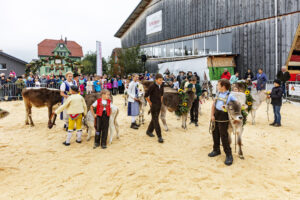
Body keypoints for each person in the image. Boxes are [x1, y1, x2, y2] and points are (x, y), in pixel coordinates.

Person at [208, 79, 237, 166]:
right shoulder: (218, 93)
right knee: (214, 132)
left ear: (223, 87)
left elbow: (236, 106)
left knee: (223, 135)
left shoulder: (230, 96)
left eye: (218, 85)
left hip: (224, 117)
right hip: (216, 115)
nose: (217, 86)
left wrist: (229, 107)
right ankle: (216, 150)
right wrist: (212, 115)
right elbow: (213, 105)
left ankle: (229, 155)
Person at [145, 73, 164, 143]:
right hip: (153, 106)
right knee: (156, 120)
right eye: (160, 80)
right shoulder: (152, 86)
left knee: (154, 119)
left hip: (159, 105)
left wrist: (161, 102)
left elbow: (162, 95)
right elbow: (146, 96)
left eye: (162, 80)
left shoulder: (162, 86)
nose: (161, 81)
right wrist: (150, 103)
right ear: (156, 80)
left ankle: (149, 131)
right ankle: (160, 136)